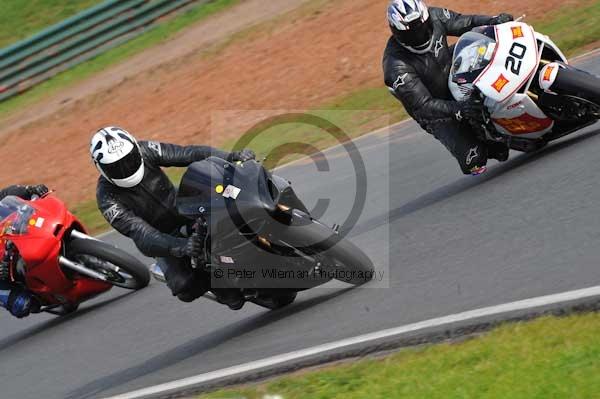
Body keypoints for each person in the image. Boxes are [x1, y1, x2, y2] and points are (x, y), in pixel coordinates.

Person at [91, 126, 255, 307]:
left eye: (129, 159)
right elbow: (140, 233)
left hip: (184, 206)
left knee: (227, 195)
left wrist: (231, 157)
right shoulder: (107, 199)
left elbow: (188, 154)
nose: (125, 168)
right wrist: (181, 247)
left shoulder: (147, 150)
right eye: (115, 167)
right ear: (101, 168)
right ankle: (219, 286)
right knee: (184, 286)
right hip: (162, 237)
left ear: (135, 148)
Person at [383, 0, 514, 175]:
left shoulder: (436, 16)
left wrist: (492, 21)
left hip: (451, 68)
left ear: (426, 18)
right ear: (397, 32)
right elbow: (424, 105)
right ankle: (489, 140)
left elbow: (466, 22)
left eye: (421, 26)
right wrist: (460, 109)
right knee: (474, 161)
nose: (420, 34)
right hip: (435, 110)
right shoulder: (396, 66)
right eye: (412, 32)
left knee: (481, 42)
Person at [0, 184, 49, 318]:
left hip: (18, 235)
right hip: (4, 263)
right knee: (21, 305)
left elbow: (6, 195)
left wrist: (30, 190)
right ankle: (36, 293)